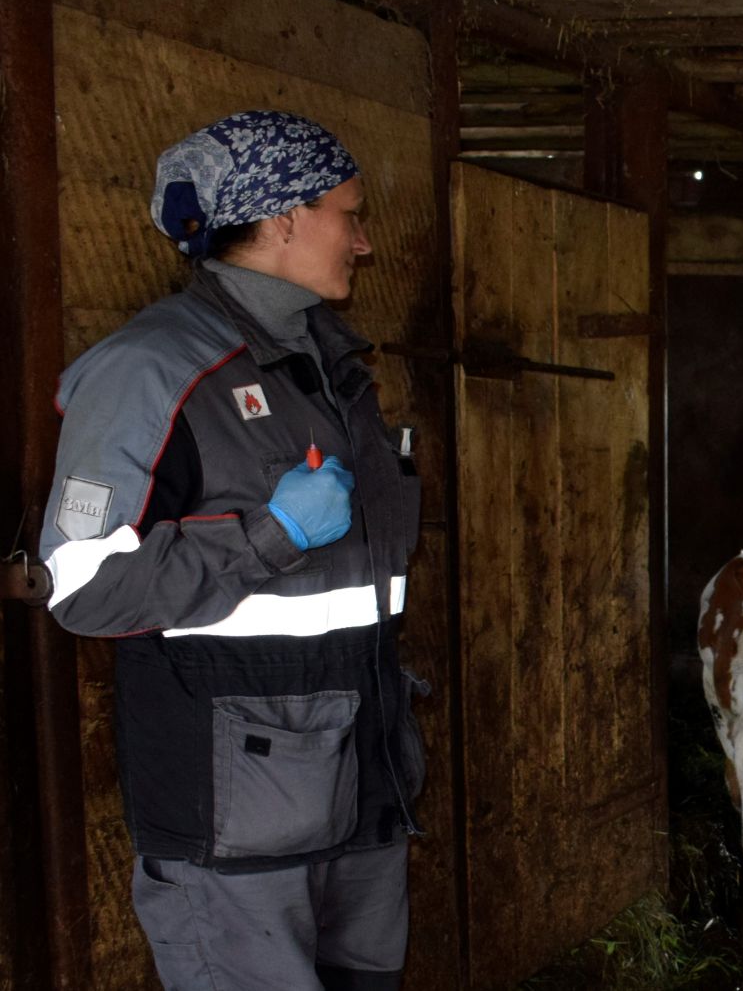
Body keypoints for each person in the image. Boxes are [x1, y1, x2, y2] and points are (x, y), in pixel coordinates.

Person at [38, 110, 425, 990]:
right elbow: (85, 590)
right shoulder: (151, 370)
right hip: (237, 826)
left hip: (362, 787)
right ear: (283, 218)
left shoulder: (326, 365)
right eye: (347, 213)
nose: (362, 243)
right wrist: (271, 534)